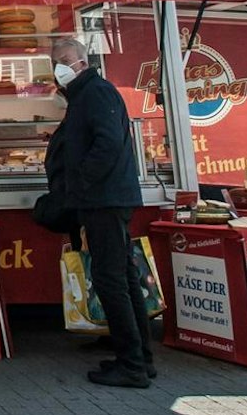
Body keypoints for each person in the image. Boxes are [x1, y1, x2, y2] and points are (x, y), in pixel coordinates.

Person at [45, 36, 154, 388]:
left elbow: (106, 144)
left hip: (105, 199)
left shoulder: (96, 93)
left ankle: (132, 366)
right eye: (55, 62)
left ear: (82, 61)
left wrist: (80, 183)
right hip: (106, 198)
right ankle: (140, 357)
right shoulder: (84, 95)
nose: (59, 68)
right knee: (121, 277)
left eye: (64, 60)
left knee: (111, 281)